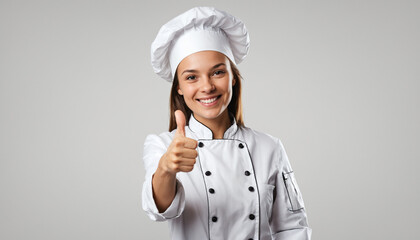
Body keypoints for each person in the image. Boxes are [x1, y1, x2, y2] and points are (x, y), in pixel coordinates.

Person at [142, 6, 312, 240]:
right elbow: (160, 210)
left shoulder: (269, 147)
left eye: (218, 72)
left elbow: (293, 228)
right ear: (179, 88)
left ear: (233, 77)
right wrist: (166, 169)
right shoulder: (163, 146)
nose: (207, 87)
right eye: (192, 77)